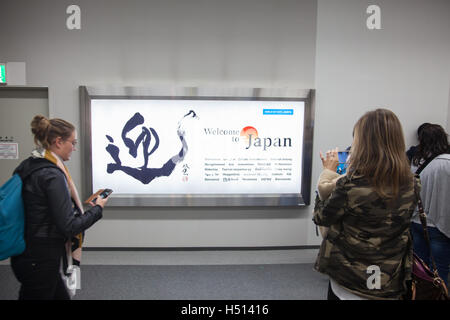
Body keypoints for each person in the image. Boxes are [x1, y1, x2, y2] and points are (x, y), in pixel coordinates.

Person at [312, 108, 419, 300]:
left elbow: (321, 217)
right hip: (390, 279)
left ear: (362, 143)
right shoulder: (413, 183)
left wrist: (327, 178)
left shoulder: (349, 185)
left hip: (350, 281)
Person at [10, 115, 108, 300]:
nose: (75, 147)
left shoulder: (29, 165)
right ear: (58, 142)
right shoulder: (52, 175)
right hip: (41, 258)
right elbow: (69, 226)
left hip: (28, 252)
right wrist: (97, 209)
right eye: (73, 142)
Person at [409, 123, 450, 285]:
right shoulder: (448, 163)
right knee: (440, 271)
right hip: (440, 226)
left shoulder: (415, 162)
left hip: (417, 222)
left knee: (420, 271)